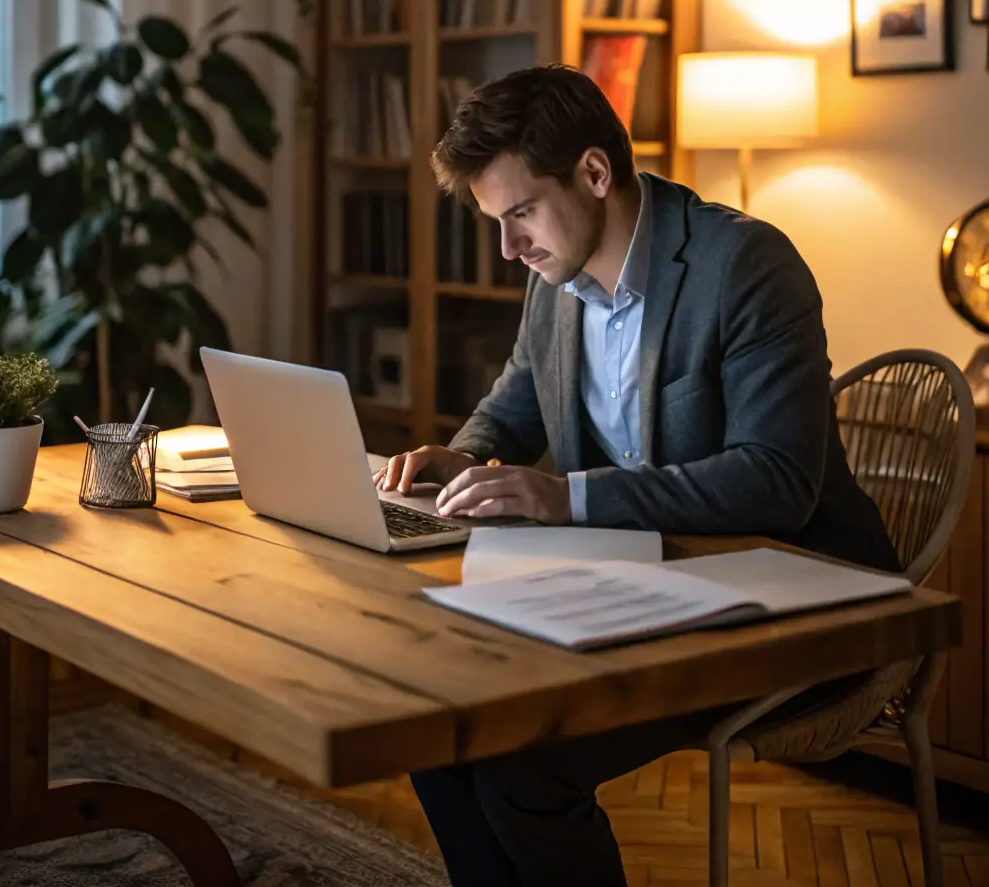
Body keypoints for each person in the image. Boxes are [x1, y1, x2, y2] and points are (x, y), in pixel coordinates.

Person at [375, 64, 898, 887]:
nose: (509, 247)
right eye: (496, 221)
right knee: (435, 725)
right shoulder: (554, 275)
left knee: (522, 768)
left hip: (795, 607)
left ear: (593, 172)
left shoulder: (746, 264)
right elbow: (516, 401)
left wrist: (567, 497)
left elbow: (777, 479)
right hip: (646, 587)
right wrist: (464, 456)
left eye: (520, 213)